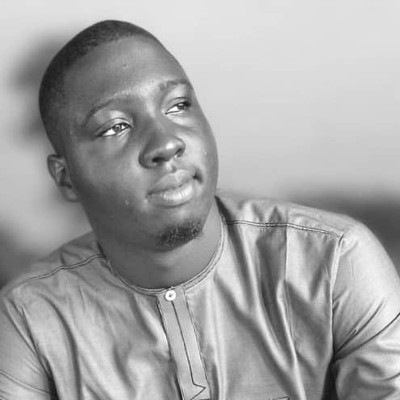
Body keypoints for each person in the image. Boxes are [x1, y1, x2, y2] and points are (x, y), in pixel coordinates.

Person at [0, 20, 399, 400]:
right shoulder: (31, 319)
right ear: (66, 178)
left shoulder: (334, 263)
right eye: (116, 126)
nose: (166, 143)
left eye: (178, 105)